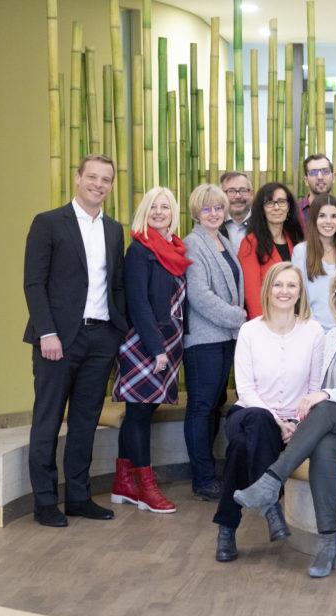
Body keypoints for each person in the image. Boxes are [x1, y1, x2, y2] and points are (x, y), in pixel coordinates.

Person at [233, 266, 336, 578]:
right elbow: (312, 388)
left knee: (324, 408)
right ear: (335, 302)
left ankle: (270, 482)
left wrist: (324, 394)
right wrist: (295, 420)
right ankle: (327, 542)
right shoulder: (330, 339)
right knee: (323, 447)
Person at [23, 153, 127, 527]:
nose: (98, 185)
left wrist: (117, 333)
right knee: (48, 420)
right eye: (92, 177)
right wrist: (47, 332)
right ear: (78, 177)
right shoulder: (49, 223)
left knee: (85, 422)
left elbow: (116, 285)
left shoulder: (114, 231)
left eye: (106, 180)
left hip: (100, 339)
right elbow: (34, 283)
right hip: (57, 340)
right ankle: (45, 502)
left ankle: (79, 497)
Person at [214, 262, 325, 561]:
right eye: (278, 285)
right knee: (260, 421)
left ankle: (226, 529)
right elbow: (246, 390)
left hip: (292, 423)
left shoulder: (313, 332)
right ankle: (272, 507)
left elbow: (314, 388)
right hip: (248, 414)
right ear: (268, 290)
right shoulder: (250, 330)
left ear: (300, 292)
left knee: (239, 449)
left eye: (291, 285)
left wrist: (296, 423)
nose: (284, 291)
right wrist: (277, 421)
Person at [110, 187, 191, 514]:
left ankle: (123, 483)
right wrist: (156, 349)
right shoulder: (139, 250)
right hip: (144, 342)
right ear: (145, 211)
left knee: (140, 411)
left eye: (166, 207)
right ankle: (145, 489)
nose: (159, 212)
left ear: (173, 214)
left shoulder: (174, 249)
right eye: (153, 207)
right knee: (139, 412)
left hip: (168, 342)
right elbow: (139, 304)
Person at [180, 184, 245, 503]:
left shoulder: (224, 241)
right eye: (206, 209)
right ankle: (202, 478)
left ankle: (207, 473)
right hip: (204, 340)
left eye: (218, 208)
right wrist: (238, 317)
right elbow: (199, 295)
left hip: (225, 339)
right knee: (200, 407)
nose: (214, 213)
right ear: (196, 212)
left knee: (214, 405)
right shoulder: (193, 244)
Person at [237, 182, 303, 320]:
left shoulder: (297, 239)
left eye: (281, 202)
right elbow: (251, 293)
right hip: (267, 320)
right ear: (262, 209)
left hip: (296, 319)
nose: (276, 207)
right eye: (270, 203)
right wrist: (263, 325)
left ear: (289, 207)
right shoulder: (250, 243)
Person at [292, 194, 336, 330]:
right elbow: (300, 297)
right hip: (311, 329)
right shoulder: (301, 251)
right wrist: (315, 329)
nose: (328, 221)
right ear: (314, 219)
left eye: (334, 216)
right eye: (322, 216)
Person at [220, 171, 254, 254]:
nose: (238, 196)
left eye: (243, 190)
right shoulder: (213, 227)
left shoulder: (264, 225)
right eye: (231, 191)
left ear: (251, 194)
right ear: (221, 194)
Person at [299, 153, 335, 223]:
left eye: (325, 171)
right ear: (306, 180)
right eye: (313, 172)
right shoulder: (294, 211)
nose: (320, 177)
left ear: (333, 177)